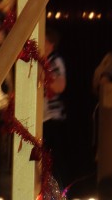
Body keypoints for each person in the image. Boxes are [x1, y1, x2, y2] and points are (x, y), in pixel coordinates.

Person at [43, 28, 68, 186]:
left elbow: (60, 86)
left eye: (44, 41)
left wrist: (45, 78)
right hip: (44, 117)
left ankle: (57, 191)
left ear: (51, 44)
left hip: (53, 117)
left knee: (54, 160)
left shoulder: (54, 61)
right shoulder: (42, 60)